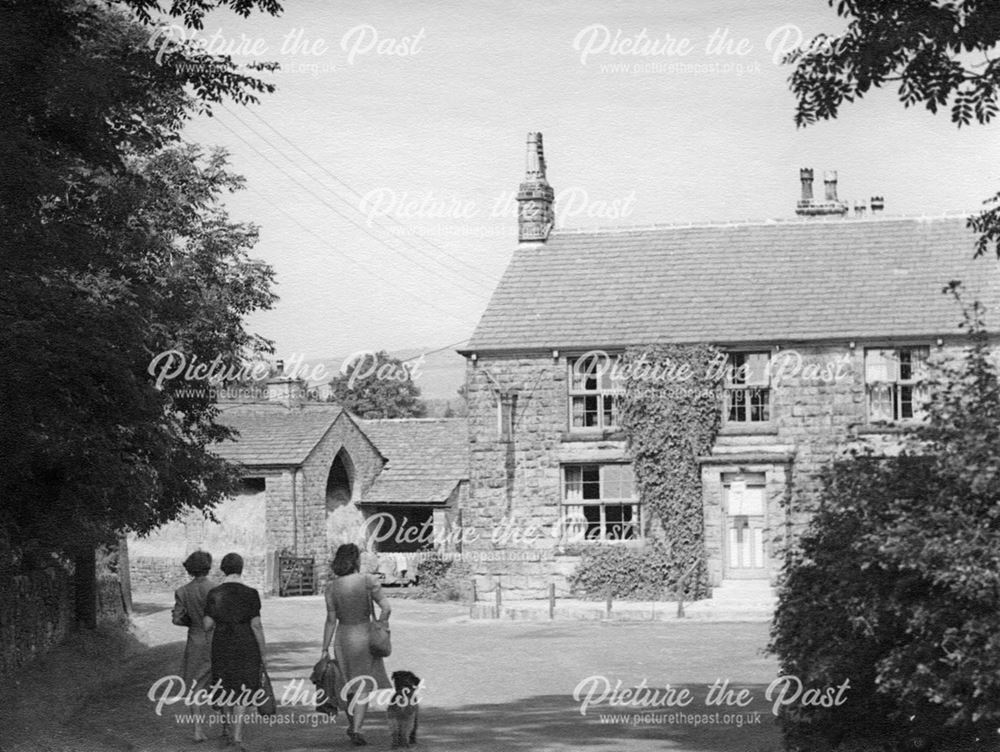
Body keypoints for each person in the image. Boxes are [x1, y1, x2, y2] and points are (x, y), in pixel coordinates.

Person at [321, 543, 392, 746]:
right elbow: (386, 607)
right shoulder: (368, 581)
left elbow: (330, 620)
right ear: (356, 560)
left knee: (347, 683)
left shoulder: (331, 587)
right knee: (363, 685)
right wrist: (381, 625)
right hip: (364, 636)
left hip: (342, 638)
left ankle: (353, 724)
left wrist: (324, 647)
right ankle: (357, 728)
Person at [204, 553, 267, 751]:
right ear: (241, 568)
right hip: (245, 642)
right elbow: (256, 625)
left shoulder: (214, 594)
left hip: (222, 641)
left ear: (223, 569)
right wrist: (263, 653)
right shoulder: (251, 593)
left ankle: (228, 728)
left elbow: (207, 624)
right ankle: (238, 735)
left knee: (224, 685)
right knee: (242, 688)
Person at [171, 550, 214, 743]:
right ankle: (226, 726)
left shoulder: (182, 591)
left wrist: (192, 621)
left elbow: (177, 619)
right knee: (220, 682)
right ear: (208, 566)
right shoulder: (215, 589)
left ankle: (197, 729)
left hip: (195, 639)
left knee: (195, 686)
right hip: (215, 639)